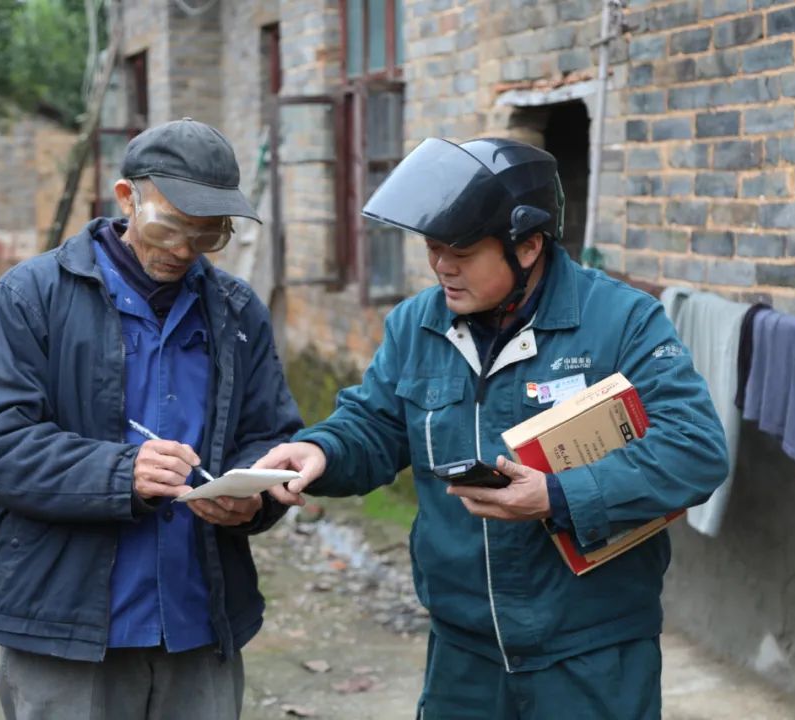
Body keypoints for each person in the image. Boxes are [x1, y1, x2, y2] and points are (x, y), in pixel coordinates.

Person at [256, 137, 728, 719]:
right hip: (464, 654)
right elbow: (375, 424)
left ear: (528, 246)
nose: (440, 266)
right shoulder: (416, 325)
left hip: (592, 652)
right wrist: (320, 450)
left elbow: (695, 449)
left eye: (460, 250)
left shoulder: (622, 321)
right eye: (432, 247)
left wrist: (556, 495)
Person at [0, 118, 302, 720]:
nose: (182, 249)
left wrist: (254, 496)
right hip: (66, 626)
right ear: (126, 198)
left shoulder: (237, 309)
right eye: (169, 226)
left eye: (208, 235)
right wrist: (122, 473)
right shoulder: (33, 295)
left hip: (199, 621)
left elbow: (271, 433)